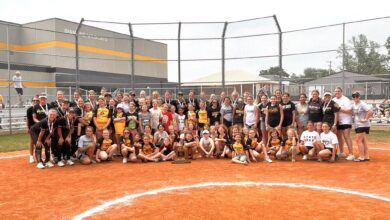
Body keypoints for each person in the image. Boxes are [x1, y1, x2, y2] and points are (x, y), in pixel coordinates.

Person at [333, 87, 354, 160]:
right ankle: (341, 152)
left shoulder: (346, 100)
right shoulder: (334, 100)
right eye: (335, 91)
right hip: (338, 121)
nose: (337, 92)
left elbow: (349, 111)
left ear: (341, 92)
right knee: (339, 137)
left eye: (338, 91)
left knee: (346, 136)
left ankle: (351, 154)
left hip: (346, 121)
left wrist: (339, 108)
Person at [351, 92, 373, 162]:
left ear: (359, 97)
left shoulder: (362, 104)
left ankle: (361, 157)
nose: (355, 98)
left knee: (358, 140)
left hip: (363, 125)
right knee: (363, 141)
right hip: (358, 124)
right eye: (354, 97)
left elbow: (370, 111)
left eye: (356, 96)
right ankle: (366, 156)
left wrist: (366, 119)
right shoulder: (354, 104)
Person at [26, 95, 39, 163]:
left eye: (37, 101)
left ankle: (38, 155)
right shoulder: (29, 109)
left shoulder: (40, 108)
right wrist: (27, 127)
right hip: (32, 127)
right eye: (34, 100)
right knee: (31, 141)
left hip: (39, 127)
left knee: (39, 141)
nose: (35, 102)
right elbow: (27, 119)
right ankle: (31, 156)